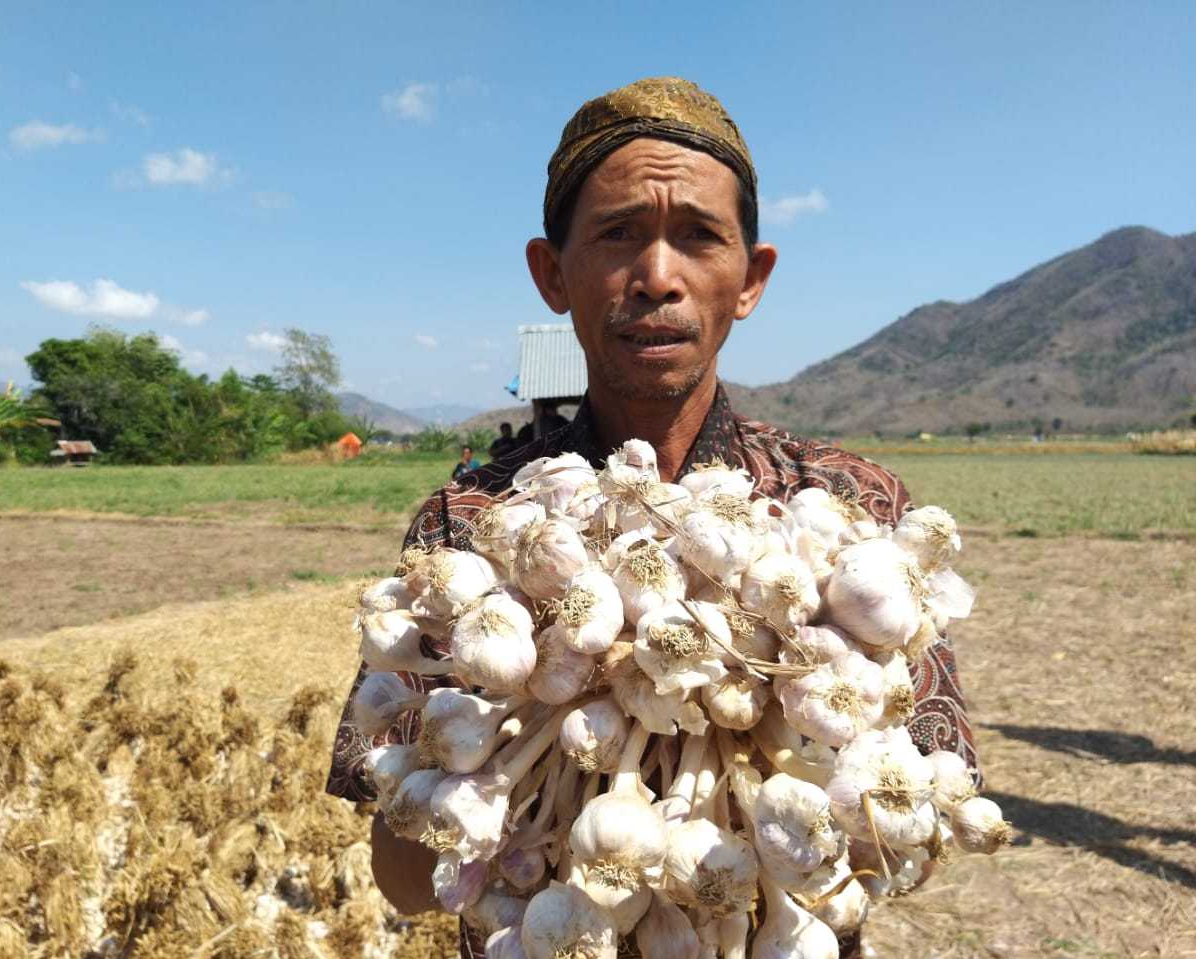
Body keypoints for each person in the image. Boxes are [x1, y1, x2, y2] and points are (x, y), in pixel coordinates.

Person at [327, 77, 978, 958]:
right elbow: (405, 879)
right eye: (617, 233)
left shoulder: (855, 511)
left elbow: (915, 831)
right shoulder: (469, 524)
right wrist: (507, 732)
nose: (658, 277)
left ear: (750, 279)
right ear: (552, 274)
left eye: (700, 237)